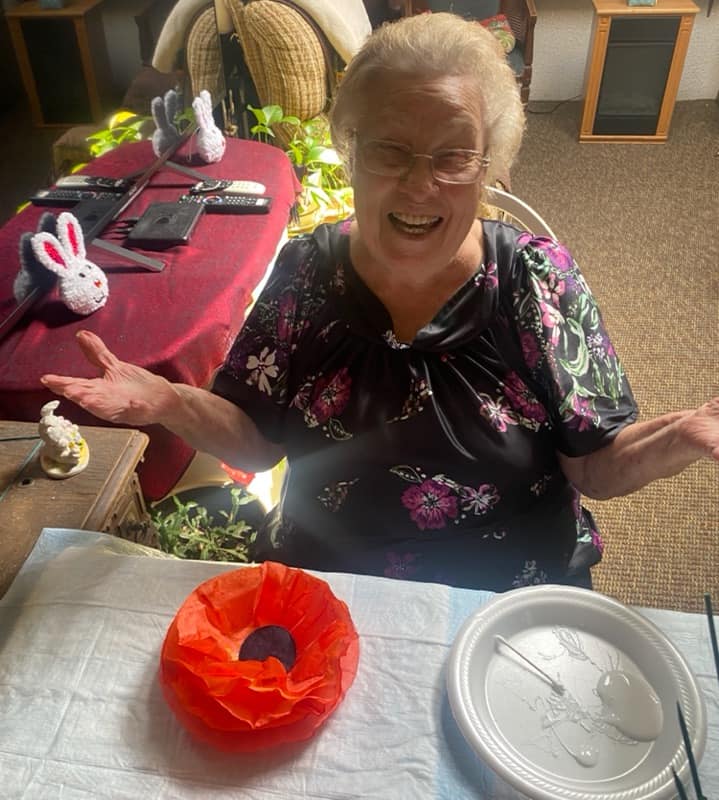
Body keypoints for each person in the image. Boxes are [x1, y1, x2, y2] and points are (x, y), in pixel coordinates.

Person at [41, 13, 718, 592]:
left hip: (507, 587)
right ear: (352, 151)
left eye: (453, 156)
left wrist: (684, 434)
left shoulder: (534, 280)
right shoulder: (306, 276)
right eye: (392, 151)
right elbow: (257, 444)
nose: (420, 186)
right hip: (332, 582)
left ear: (488, 163)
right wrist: (169, 402)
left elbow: (593, 465)